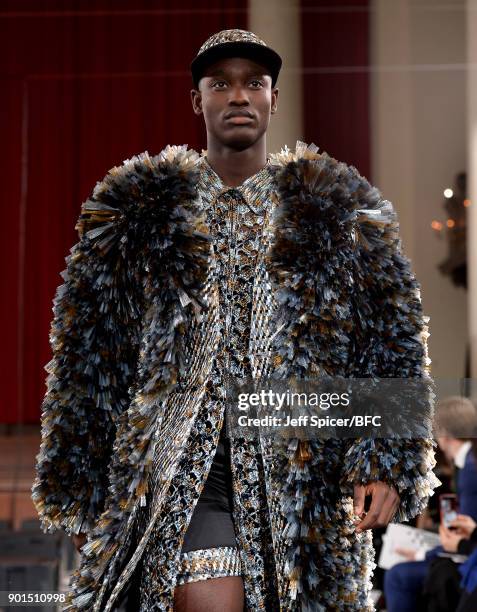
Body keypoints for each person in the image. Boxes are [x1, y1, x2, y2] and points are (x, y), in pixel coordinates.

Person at [31, 28, 439, 611]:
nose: (239, 96)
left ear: (274, 97)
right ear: (197, 100)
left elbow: (392, 337)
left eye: (255, 83)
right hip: (176, 469)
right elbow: (88, 352)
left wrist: (386, 457)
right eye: (221, 83)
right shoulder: (141, 208)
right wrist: (78, 485)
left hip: (303, 473)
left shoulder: (332, 207)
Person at [384, 396, 477, 612]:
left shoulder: (470, 470)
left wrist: (422, 554)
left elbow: (465, 542)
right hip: (465, 554)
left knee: (397, 575)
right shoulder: (467, 464)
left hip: (467, 564)